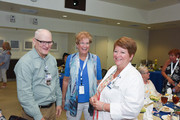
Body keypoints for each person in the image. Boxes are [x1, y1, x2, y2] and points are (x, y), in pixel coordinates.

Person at [89, 37, 144, 120]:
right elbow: (103, 89)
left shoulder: (134, 77)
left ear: (131, 56)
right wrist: (96, 96)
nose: (117, 55)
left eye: (122, 52)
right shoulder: (112, 69)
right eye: (115, 51)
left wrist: (104, 106)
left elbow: (132, 110)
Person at [14, 29, 62, 120]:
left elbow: (56, 83)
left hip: (52, 109)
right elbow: (25, 95)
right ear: (34, 41)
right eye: (42, 42)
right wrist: (38, 116)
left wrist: (59, 102)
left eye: (49, 42)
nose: (47, 46)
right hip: (34, 112)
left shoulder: (52, 60)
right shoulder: (25, 63)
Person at [62, 31, 102, 120]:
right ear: (77, 45)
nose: (85, 46)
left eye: (87, 43)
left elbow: (99, 81)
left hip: (91, 101)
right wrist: (63, 99)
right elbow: (65, 80)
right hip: (73, 100)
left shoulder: (95, 59)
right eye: (82, 43)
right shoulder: (70, 59)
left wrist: (100, 99)